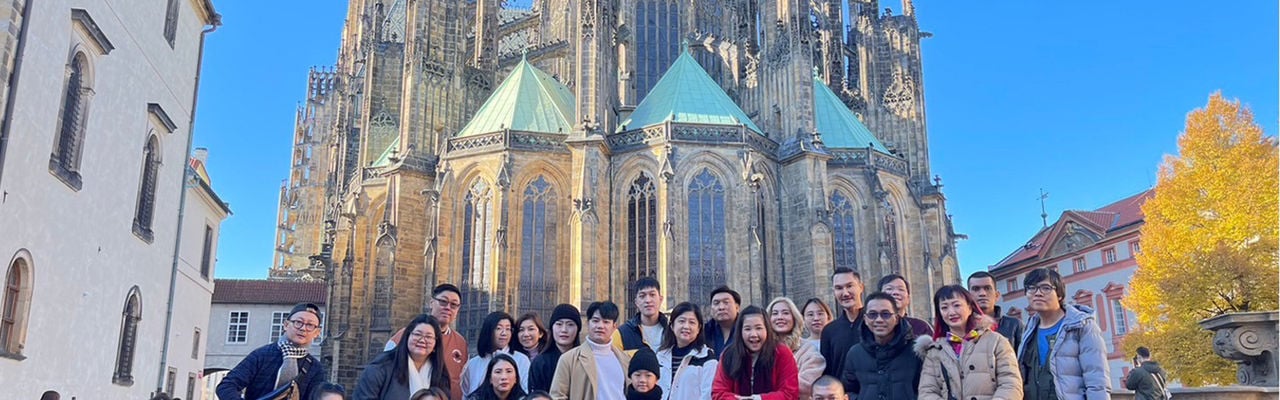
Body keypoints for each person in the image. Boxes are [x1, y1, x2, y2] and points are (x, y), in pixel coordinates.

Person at [1017, 268, 1111, 400]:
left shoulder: (1082, 326)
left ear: (1059, 295)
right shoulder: (1029, 330)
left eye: (1045, 288)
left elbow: (1097, 380)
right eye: (1032, 288)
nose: (1038, 293)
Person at [916, 285, 1022, 400]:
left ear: (970, 308)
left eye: (956, 305)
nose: (951, 312)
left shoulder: (996, 341)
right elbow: (927, 391)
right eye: (944, 308)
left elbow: (1011, 384)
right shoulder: (935, 350)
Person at [216, 303, 327, 400]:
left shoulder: (315, 368)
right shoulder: (261, 355)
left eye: (310, 325)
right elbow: (226, 386)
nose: (303, 328)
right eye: (298, 322)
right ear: (286, 325)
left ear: (317, 333)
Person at [841, 292, 923, 399]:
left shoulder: (916, 351)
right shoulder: (855, 353)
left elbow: (927, 389)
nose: (879, 320)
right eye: (872, 314)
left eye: (885, 314)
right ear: (865, 319)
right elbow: (848, 390)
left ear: (896, 318)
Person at [711, 306, 800, 400]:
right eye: (747, 329)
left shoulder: (782, 353)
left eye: (758, 328)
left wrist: (759, 399)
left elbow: (790, 393)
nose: (753, 334)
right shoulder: (729, 355)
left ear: (767, 329)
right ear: (740, 331)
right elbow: (718, 392)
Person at [354, 314, 452, 399]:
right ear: (407, 336)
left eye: (429, 337)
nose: (422, 340)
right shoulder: (381, 368)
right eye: (417, 334)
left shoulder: (440, 373)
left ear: (436, 343)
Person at [549, 301, 632, 400]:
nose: (600, 326)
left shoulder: (625, 360)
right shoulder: (569, 359)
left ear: (614, 326)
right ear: (587, 323)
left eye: (606, 322)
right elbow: (557, 395)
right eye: (595, 321)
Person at [656, 301, 718, 400]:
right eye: (681, 321)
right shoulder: (660, 356)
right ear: (672, 325)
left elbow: (708, 395)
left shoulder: (707, 357)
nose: (686, 326)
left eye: (692, 322)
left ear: (699, 328)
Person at [767, 297, 827, 399]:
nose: (780, 317)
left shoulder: (808, 349)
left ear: (794, 318)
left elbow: (808, 384)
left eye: (785, 313)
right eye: (775, 313)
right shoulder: (762, 349)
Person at [463, 312, 533, 394]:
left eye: (508, 329)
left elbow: (526, 392)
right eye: (499, 328)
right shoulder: (473, 364)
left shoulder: (521, 360)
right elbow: (466, 394)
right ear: (488, 331)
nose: (504, 333)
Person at [820, 267, 864, 378]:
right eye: (839, 288)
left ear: (861, 287)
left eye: (849, 286)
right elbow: (828, 373)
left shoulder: (875, 323)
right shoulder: (829, 331)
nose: (845, 293)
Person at [528, 304, 581, 393]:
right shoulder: (540, 363)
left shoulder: (584, 361)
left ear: (578, 329)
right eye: (559, 324)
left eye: (570, 324)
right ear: (552, 328)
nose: (564, 330)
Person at [968, 271, 1025, 352]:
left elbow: (1023, 357)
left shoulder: (1014, 325)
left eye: (987, 288)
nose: (982, 293)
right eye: (976, 289)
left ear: (997, 295)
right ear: (968, 297)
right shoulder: (962, 326)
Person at [615, 277, 670, 353]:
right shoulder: (622, 333)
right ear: (636, 302)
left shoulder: (672, 330)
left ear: (660, 299)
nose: (648, 300)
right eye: (642, 296)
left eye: (652, 295)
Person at [704, 286, 741, 356]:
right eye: (716, 303)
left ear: (737, 307)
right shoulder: (705, 331)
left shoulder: (745, 329)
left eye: (726, 302)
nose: (721, 307)